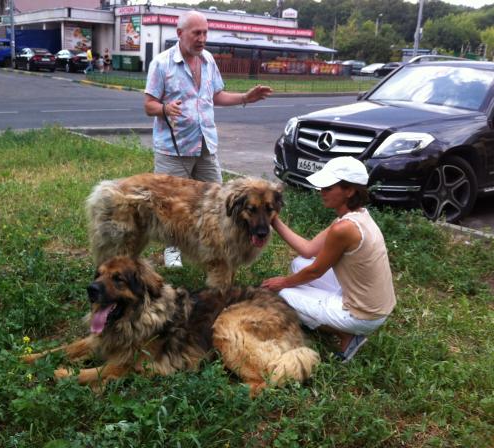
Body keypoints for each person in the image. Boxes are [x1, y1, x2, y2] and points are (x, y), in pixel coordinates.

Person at [144, 10, 272, 267]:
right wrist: (165, 109)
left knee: (219, 199)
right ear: (180, 34)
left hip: (205, 144)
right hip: (174, 147)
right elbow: (149, 105)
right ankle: (173, 252)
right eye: (197, 33)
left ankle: (221, 243)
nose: (202, 38)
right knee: (173, 205)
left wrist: (246, 97)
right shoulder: (161, 63)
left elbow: (217, 96)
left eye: (205, 32)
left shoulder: (208, 60)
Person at [261, 157, 396, 363]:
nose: (321, 191)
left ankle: (348, 335)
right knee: (299, 264)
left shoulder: (344, 229)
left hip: (364, 314)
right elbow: (307, 250)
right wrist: (274, 220)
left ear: (349, 191)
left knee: (283, 294)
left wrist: (282, 283)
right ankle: (338, 322)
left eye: (328, 187)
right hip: (373, 303)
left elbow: (315, 271)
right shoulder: (356, 216)